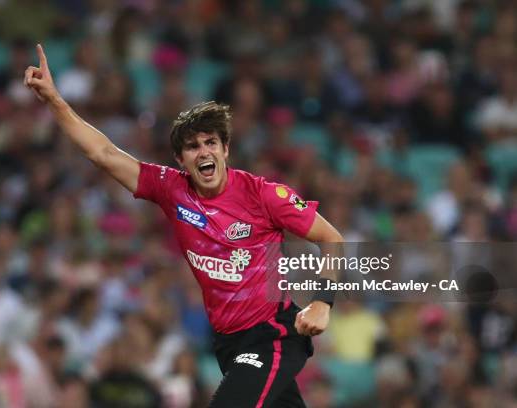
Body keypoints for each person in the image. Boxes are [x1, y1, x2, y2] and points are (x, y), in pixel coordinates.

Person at [24, 44, 343, 407]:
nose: (203, 152)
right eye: (192, 146)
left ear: (225, 149)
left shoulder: (264, 194)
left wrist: (322, 301)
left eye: (211, 143)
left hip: (273, 336)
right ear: (180, 159)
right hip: (228, 343)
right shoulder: (171, 188)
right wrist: (54, 100)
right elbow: (104, 154)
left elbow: (330, 237)